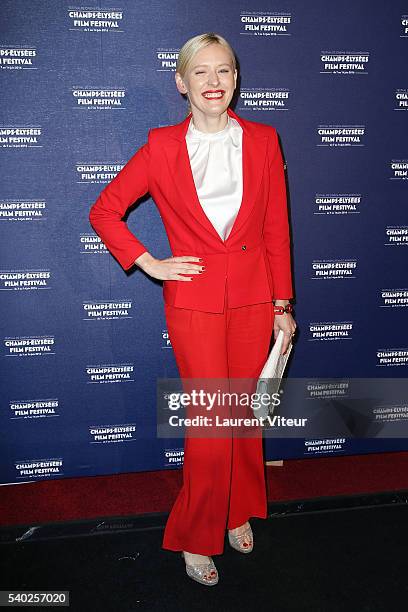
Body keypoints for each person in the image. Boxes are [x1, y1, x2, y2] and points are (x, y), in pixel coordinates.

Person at [89, 32, 297, 586]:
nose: (213, 82)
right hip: (195, 303)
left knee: (245, 417)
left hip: (256, 299)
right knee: (211, 423)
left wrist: (283, 303)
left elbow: (276, 226)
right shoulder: (160, 146)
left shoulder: (264, 139)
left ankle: (237, 509)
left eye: (223, 71)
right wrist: (150, 262)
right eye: (200, 72)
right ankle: (196, 532)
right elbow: (105, 211)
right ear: (181, 82)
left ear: (235, 79)